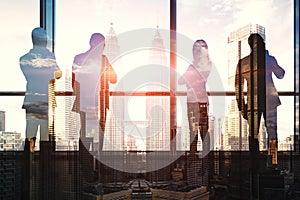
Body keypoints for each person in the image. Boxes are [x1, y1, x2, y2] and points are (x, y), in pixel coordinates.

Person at [235, 33, 284, 166]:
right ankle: (273, 163)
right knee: (272, 133)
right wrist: (270, 60)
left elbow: (238, 88)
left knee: (253, 135)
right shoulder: (269, 59)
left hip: (253, 104)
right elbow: (281, 74)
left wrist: (242, 107)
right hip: (270, 102)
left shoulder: (243, 62)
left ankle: (254, 163)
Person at [72, 33, 117, 153]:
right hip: (99, 104)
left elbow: (74, 82)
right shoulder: (104, 60)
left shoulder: (78, 58)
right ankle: (96, 165)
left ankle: (84, 165)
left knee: (85, 133)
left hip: (84, 103)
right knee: (98, 136)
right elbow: (114, 79)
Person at [20, 27, 60, 153]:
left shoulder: (24, 59)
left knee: (30, 136)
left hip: (31, 100)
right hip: (45, 100)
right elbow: (58, 74)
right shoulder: (49, 57)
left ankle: (27, 166)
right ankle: (45, 168)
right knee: (46, 139)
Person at [178, 39, 211, 154]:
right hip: (199, 102)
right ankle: (204, 162)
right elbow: (181, 81)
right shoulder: (204, 66)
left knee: (196, 133)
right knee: (201, 132)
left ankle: (196, 161)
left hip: (195, 102)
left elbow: (181, 80)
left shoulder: (195, 67)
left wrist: (190, 74)